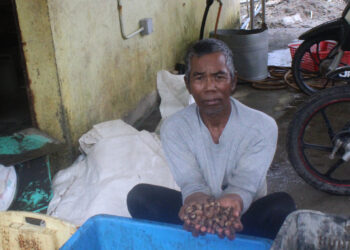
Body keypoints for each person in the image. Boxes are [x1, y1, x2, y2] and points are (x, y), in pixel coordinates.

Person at [127, 38, 296, 240]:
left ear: (233, 81)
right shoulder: (174, 128)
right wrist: (195, 200)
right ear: (187, 84)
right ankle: (191, 239)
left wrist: (234, 202)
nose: (209, 87)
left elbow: (246, 183)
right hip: (197, 215)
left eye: (219, 77)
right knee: (140, 197)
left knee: (282, 207)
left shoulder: (262, 127)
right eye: (199, 78)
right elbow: (190, 181)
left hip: (243, 218)